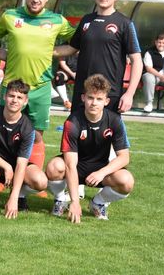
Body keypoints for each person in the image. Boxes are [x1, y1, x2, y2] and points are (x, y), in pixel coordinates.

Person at [0, 0, 75, 171]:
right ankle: (3, 175)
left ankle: (32, 176)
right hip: (12, 86)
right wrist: (3, 54)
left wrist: (53, 52)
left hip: (41, 87)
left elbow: (76, 42)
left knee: (37, 134)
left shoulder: (57, 20)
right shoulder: (10, 16)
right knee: (5, 132)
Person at [45, 74, 134, 222]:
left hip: (100, 168)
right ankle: (61, 200)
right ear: (83, 98)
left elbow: (124, 157)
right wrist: (75, 201)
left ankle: (98, 203)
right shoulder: (72, 122)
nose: (94, 103)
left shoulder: (115, 121)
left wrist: (101, 173)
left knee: (126, 181)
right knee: (54, 167)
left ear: (106, 101)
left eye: (99, 99)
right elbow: (70, 165)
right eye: (90, 98)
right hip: (76, 166)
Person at [55, 0, 143, 113]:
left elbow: (137, 60)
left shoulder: (125, 23)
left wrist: (129, 94)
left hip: (110, 94)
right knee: (76, 127)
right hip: (83, 92)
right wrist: (42, 50)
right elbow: (71, 48)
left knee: (108, 128)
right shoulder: (86, 20)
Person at [0, 79, 47, 218]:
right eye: (11, 96)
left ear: (25, 101)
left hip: (16, 165)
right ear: (4, 96)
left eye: (19, 97)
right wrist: (6, 166)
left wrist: (13, 197)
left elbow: (21, 163)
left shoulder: (28, 128)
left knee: (41, 181)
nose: (14, 100)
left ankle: (20, 196)